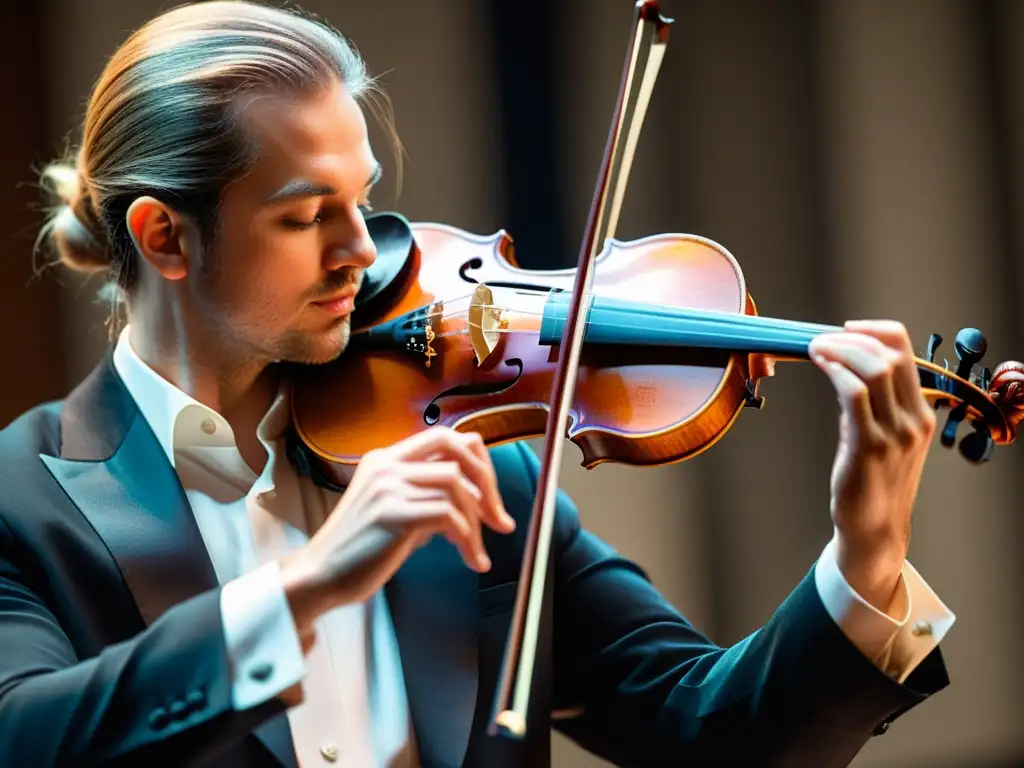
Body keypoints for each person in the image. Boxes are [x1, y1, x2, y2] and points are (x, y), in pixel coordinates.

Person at [0, 2, 955, 766]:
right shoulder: (21, 504)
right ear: (166, 236)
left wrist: (865, 555)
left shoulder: (481, 479)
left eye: (361, 199)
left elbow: (709, 734)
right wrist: (304, 588)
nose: (358, 249)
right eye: (305, 217)